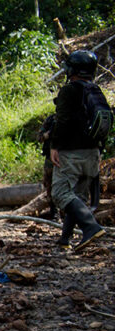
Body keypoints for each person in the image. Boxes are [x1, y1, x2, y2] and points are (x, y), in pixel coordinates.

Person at [50, 50, 108, 251]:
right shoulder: (96, 90)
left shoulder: (69, 90)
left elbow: (62, 120)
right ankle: (65, 241)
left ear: (72, 70)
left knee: (60, 193)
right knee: (78, 197)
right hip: (92, 153)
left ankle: (90, 227)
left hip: (71, 153)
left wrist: (54, 146)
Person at [36, 113, 58, 225]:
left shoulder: (71, 117)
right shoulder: (51, 120)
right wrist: (49, 134)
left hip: (65, 157)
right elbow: (39, 137)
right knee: (49, 184)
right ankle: (54, 211)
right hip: (50, 158)